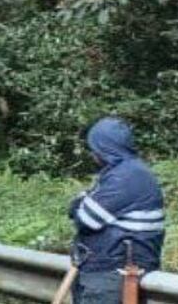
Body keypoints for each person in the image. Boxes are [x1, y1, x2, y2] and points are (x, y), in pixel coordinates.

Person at [68, 117, 165, 303]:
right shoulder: (125, 171)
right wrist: (81, 203)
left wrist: (81, 201)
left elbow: (86, 219)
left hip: (115, 273)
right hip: (112, 269)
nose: (92, 153)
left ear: (104, 147)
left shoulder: (125, 176)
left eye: (94, 147)